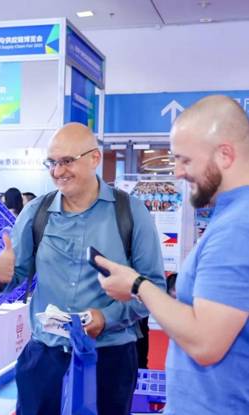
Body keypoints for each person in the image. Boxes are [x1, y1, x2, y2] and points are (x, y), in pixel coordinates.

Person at [0, 122, 165, 415]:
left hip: (109, 359)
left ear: (94, 158)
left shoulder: (130, 212)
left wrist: (107, 317)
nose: (58, 171)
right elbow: (14, 277)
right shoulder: (36, 213)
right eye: (52, 163)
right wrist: (1, 274)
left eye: (67, 161)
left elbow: (153, 288)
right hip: (46, 358)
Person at [97, 95, 249, 415]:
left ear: (225, 155)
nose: (177, 172)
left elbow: (206, 342)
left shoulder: (237, 227)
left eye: (185, 160)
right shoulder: (232, 216)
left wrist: (138, 285)